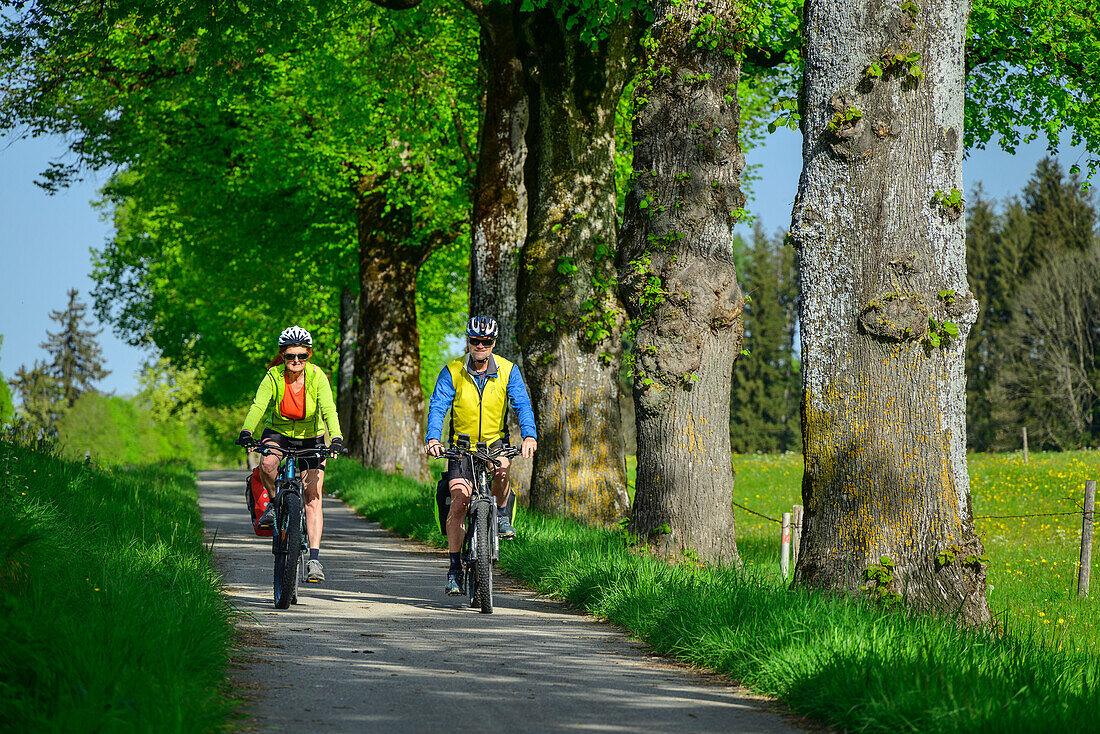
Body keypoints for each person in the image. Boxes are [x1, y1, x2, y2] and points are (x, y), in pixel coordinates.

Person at [424, 315, 537, 596]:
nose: (480, 346)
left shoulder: (509, 371)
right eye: (475, 341)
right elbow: (438, 406)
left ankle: (499, 514)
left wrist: (529, 435)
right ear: (468, 341)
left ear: (493, 343)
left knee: (502, 468)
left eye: (486, 342)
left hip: (494, 443)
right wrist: (433, 438)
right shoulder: (452, 371)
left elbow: (522, 404)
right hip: (461, 447)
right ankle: (454, 569)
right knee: (460, 501)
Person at [236, 325, 344, 583]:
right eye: (290, 356)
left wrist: (336, 437)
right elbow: (258, 405)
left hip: (311, 435)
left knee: (313, 497)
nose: (296, 361)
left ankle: (315, 559)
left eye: (302, 356)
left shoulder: (318, 377)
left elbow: (328, 408)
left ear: (309, 355)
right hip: (279, 432)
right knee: (268, 463)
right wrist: (247, 430)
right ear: (282, 356)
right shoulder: (273, 376)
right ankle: (274, 504)